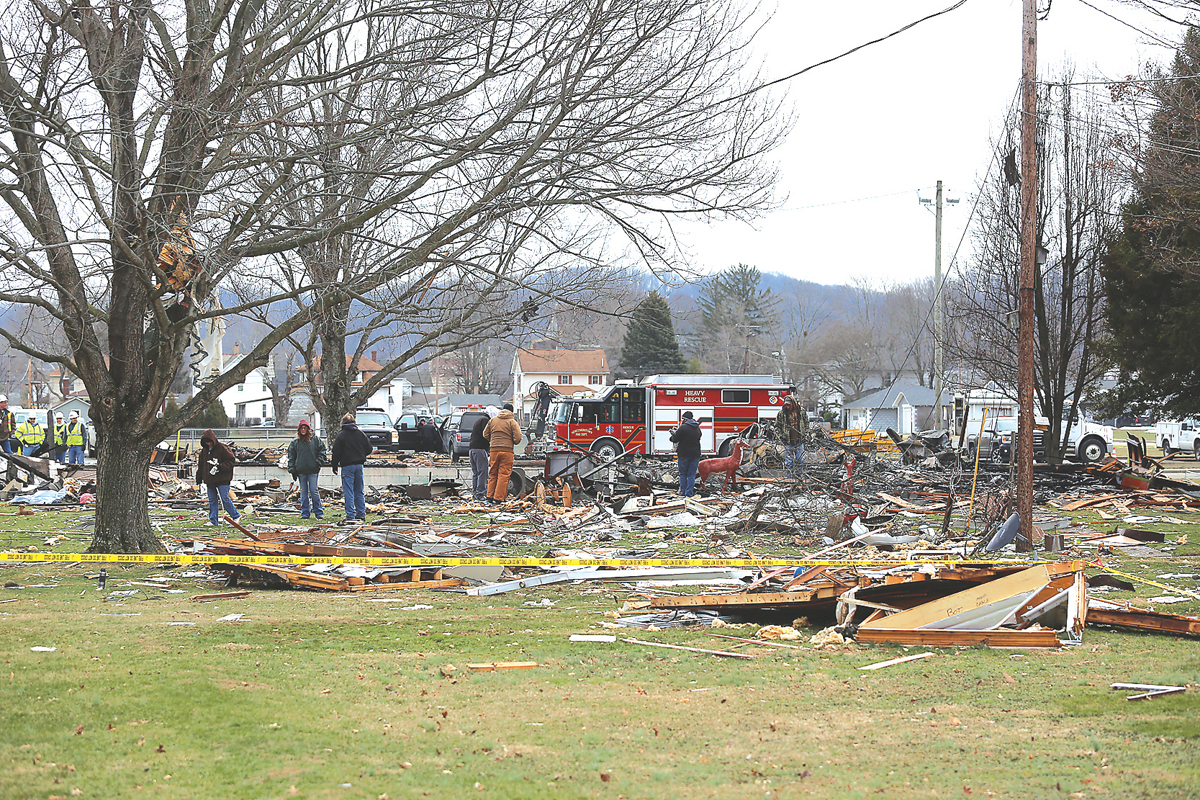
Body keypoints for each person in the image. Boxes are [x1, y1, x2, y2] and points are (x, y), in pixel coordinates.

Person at [331, 412, 372, 523]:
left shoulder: (341, 435)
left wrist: (334, 464)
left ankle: (350, 515)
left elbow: (336, 452)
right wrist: (361, 455)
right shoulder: (360, 434)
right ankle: (361, 514)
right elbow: (369, 448)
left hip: (347, 466)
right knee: (359, 491)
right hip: (359, 465)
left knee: (348, 491)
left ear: (343, 423)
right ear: (354, 422)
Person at [197, 429, 240, 527]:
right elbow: (201, 466)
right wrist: (199, 477)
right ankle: (213, 521)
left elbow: (231, 461)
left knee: (224, 498)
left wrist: (220, 467)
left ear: (213, 440)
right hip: (210, 480)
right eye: (206, 442)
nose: (208, 444)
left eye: (209, 441)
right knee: (212, 500)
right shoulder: (203, 452)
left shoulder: (222, 448)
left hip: (222, 479)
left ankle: (236, 516)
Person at [287, 420, 328, 520]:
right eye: (301, 428)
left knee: (314, 491)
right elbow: (291, 457)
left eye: (305, 428)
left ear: (308, 429)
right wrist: (292, 470)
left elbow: (322, 451)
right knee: (304, 492)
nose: (303, 430)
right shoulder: (295, 443)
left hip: (313, 470)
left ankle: (318, 512)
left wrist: (318, 462)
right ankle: (305, 513)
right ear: (299, 430)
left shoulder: (315, 440)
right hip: (301, 471)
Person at [483, 402, 522, 505]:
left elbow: (485, 434)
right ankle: (499, 498)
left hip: (494, 450)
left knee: (492, 473)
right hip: (507, 451)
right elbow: (518, 438)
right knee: (503, 474)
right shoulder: (512, 422)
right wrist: (513, 441)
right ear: (511, 412)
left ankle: (489, 497)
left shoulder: (493, 420)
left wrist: (493, 441)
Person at [670, 410, 703, 497]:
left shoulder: (683, 427)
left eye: (682, 419)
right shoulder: (697, 427)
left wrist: (672, 436)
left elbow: (675, 439)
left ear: (685, 419)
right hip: (695, 454)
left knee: (683, 474)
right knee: (691, 475)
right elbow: (699, 437)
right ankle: (689, 493)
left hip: (684, 454)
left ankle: (683, 493)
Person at [776, 395, 808, 477]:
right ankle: (789, 478)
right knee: (789, 462)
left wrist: (806, 434)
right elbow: (777, 426)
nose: (787, 406)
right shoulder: (781, 413)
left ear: (793, 403)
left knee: (801, 460)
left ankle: (798, 477)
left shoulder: (801, 412)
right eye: (786, 404)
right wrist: (781, 435)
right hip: (787, 441)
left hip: (799, 440)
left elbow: (806, 424)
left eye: (789, 404)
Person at [469, 407, 495, 501]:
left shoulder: (479, 419)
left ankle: (475, 492)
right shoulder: (485, 421)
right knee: (482, 472)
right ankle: (480, 493)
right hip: (480, 449)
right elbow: (486, 434)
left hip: (472, 449)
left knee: (475, 473)